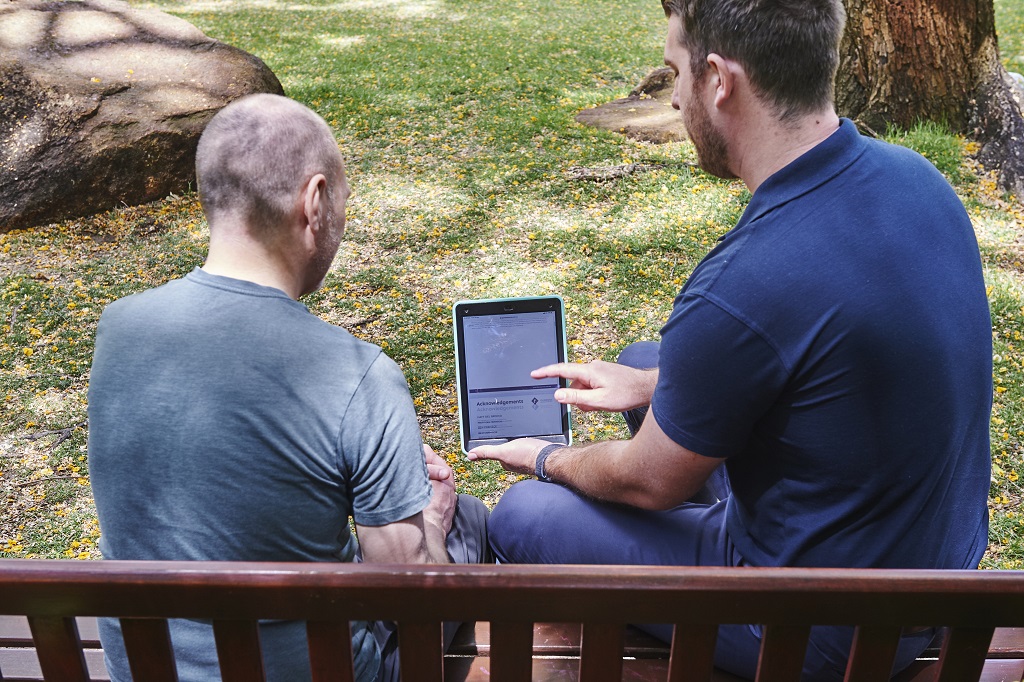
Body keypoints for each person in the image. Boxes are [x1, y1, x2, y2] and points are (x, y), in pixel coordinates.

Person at [467, 0, 993, 679]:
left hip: (819, 628)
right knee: (643, 365)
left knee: (525, 514)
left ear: (719, 79)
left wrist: (546, 458)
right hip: (934, 577)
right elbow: (834, 359)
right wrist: (655, 386)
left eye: (675, 72)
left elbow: (645, 482)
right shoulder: (920, 181)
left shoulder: (745, 280)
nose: (676, 94)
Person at [88, 93, 490, 682]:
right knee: (468, 522)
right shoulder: (358, 375)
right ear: (315, 201)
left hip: (152, 671)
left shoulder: (118, 328)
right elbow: (409, 600)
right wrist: (433, 516)